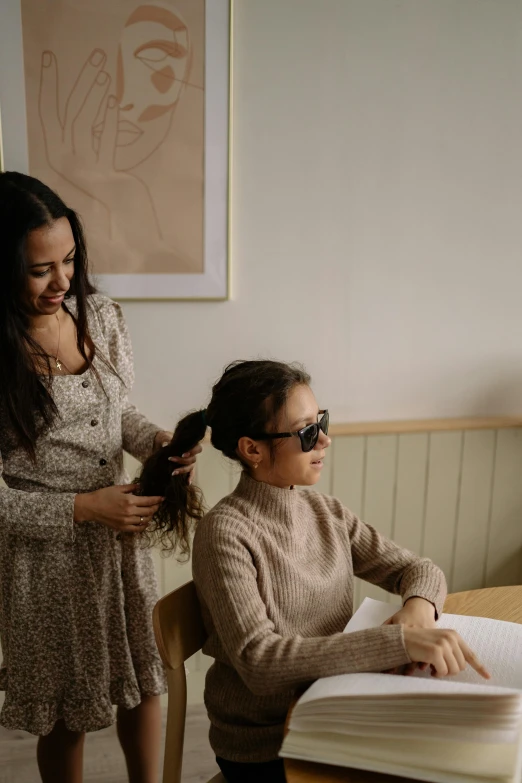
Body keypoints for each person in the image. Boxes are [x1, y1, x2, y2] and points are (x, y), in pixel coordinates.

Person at [138, 359, 490, 783]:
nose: (324, 439)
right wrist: (397, 643)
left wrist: (418, 608)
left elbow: (418, 569)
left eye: (321, 421)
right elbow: (260, 661)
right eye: (307, 432)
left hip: (337, 708)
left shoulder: (326, 512)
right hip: (268, 744)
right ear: (252, 449)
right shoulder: (225, 533)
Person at [0, 171, 200, 783]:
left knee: (144, 684)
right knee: (67, 710)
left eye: (70, 259)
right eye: (40, 270)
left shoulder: (103, 317)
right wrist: (82, 508)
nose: (63, 281)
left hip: (121, 542)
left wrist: (157, 443)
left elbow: (120, 414)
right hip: (44, 560)